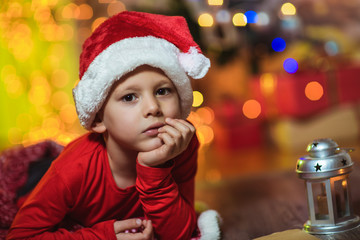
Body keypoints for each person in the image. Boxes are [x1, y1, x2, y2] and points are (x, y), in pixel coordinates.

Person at [6, 11, 219, 240]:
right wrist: (103, 236)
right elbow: (19, 236)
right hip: (41, 181)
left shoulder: (181, 144)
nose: (153, 107)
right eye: (129, 97)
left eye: (162, 91)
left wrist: (155, 169)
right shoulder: (74, 170)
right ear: (98, 119)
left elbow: (180, 233)